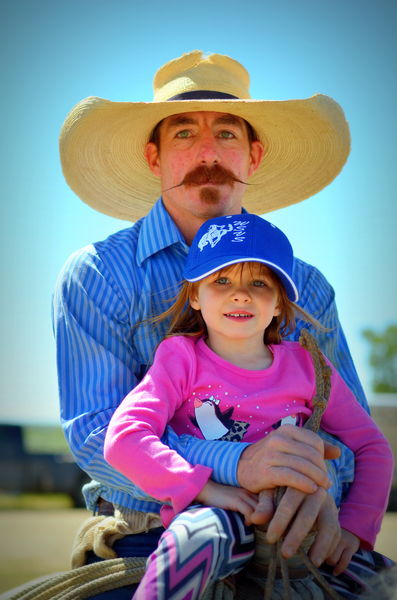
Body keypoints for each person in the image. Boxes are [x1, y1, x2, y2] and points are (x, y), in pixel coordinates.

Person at [53, 50, 384, 597]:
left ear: (253, 155)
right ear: (153, 157)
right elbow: (96, 434)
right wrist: (236, 466)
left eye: (227, 134)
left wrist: (321, 485)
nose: (208, 153)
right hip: (154, 528)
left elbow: (350, 433)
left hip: (296, 525)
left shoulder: (309, 286)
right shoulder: (98, 275)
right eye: (184, 133)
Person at [103, 213, 393, 599]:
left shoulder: (310, 367)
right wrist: (205, 488)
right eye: (221, 280)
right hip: (216, 516)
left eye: (259, 283)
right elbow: (124, 439)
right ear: (194, 295)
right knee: (191, 543)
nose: (240, 294)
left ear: (278, 303)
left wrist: (357, 528)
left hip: (295, 523)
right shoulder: (180, 358)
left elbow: (372, 447)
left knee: (380, 582)